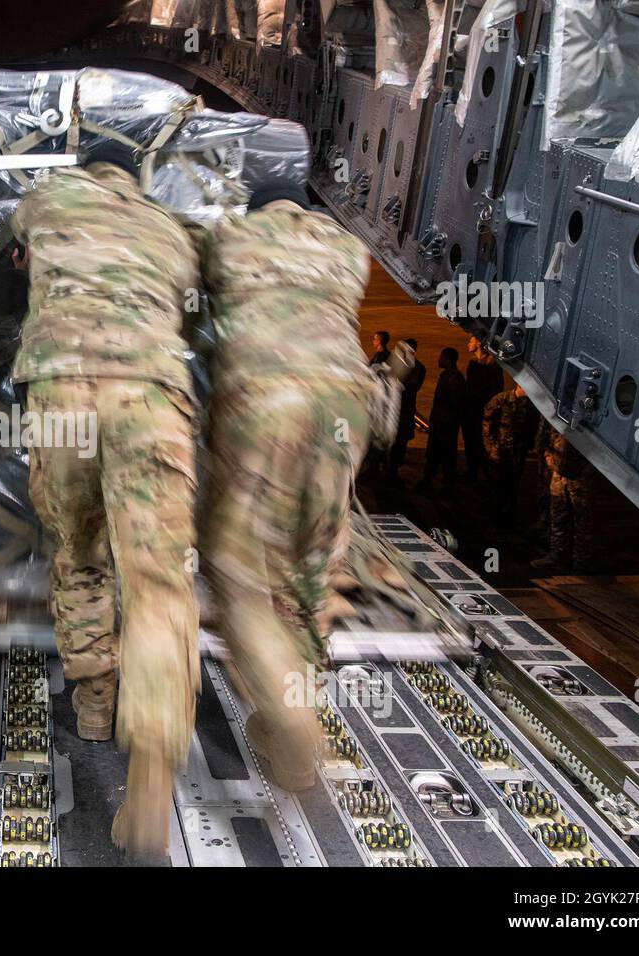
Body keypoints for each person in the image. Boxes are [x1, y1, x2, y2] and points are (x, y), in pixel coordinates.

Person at [10, 142, 200, 859]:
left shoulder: (49, 198)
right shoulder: (170, 227)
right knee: (155, 580)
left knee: (79, 554)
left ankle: (93, 708)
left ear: (87, 170)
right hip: (151, 391)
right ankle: (150, 769)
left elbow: (15, 254)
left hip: (62, 392)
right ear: (135, 178)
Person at [200, 183, 377, 791]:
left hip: (267, 398)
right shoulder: (349, 248)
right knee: (312, 564)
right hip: (347, 404)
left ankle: (293, 721)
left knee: (236, 569)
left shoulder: (231, 236)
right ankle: (297, 705)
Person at [531, 424, 594, 573]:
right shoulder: (558, 412)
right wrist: (548, 455)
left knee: (582, 521)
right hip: (559, 469)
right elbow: (547, 434)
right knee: (558, 515)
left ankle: (581, 562)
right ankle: (558, 556)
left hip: (581, 473)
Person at [482, 384, 538, 524]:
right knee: (496, 482)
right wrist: (490, 446)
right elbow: (487, 423)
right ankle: (494, 512)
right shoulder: (502, 399)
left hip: (518, 451)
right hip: (500, 449)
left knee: (513, 483)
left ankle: (508, 512)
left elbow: (532, 425)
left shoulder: (530, 405)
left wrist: (528, 444)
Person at [417, 347, 465, 496]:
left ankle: (446, 486)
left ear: (448, 360)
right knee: (434, 454)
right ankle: (429, 482)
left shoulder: (454, 379)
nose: (439, 360)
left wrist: (442, 422)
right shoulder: (448, 376)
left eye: (441, 357)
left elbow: (453, 405)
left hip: (445, 426)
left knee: (445, 455)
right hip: (441, 423)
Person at [462, 335, 504, 479]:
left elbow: (495, 391)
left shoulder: (492, 365)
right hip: (471, 411)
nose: (468, 343)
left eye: (471, 341)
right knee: (471, 442)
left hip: (483, 413)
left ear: (479, 343)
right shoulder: (473, 363)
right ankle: (472, 471)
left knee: (483, 445)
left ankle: (487, 475)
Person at [387, 337, 425, 481]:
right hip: (394, 409)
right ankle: (388, 467)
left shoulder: (418, 368)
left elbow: (412, 388)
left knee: (400, 441)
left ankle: (393, 469)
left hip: (404, 410)